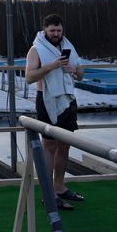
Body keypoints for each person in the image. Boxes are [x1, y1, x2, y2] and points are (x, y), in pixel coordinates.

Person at [24, 13, 85, 211]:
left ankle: (60, 187)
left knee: (65, 145)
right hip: (47, 100)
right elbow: (29, 77)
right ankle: (48, 193)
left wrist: (74, 70)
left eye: (59, 30)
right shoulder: (36, 49)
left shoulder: (68, 47)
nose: (56, 34)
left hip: (68, 100)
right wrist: (52, 66)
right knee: (49, 146)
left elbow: (81, 75)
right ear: (45, 30)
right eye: (52, 31)